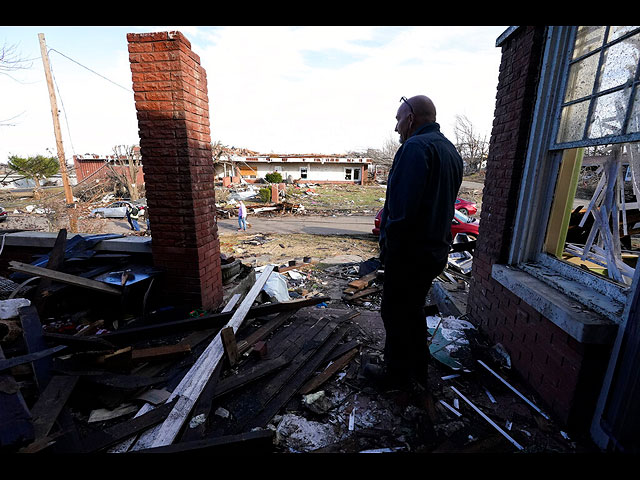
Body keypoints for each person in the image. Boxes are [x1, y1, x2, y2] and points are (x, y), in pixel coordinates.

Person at [369, 95, 463, 391]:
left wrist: (388, 251)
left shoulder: (414, 148)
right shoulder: (450, 151)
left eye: (398, 120)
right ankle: (417, 372)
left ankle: (395, 376)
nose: (396, 128)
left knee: (395, 313)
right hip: (434, 251)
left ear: (410, 118)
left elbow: (401, 211)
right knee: (412, 312)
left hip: (409, 254)